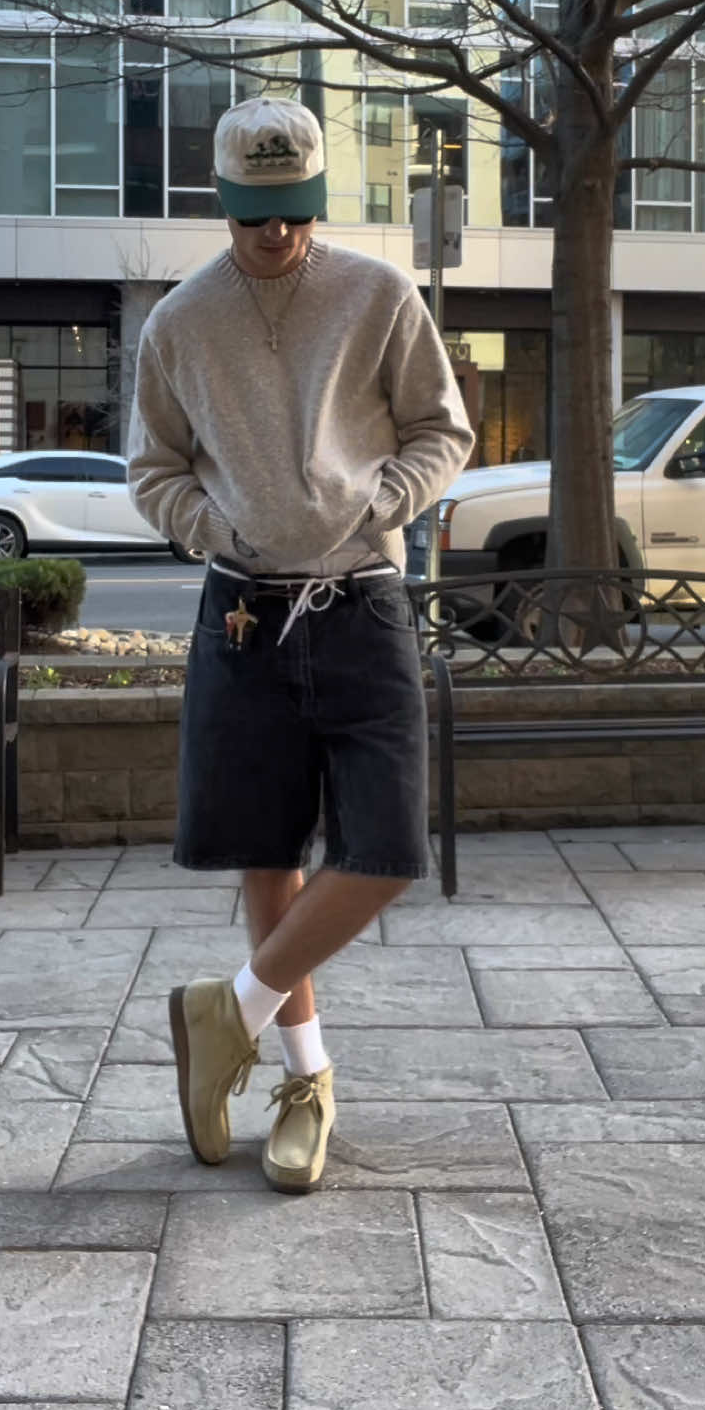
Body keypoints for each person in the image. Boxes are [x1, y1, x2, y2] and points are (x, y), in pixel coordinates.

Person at [128, 96, 474, 1194]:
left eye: (292, 213)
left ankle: (224, 1012)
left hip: (363, 600)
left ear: (316, 196)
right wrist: (216, 527)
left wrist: (384, 499)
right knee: (266, 851)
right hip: (242, 610)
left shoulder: (378, 294)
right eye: (253, 216)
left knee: (384, 851)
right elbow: (154, 470)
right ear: (223, 200)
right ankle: (305, 1081)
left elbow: (442, 429)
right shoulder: (180, 322)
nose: (275, 236)